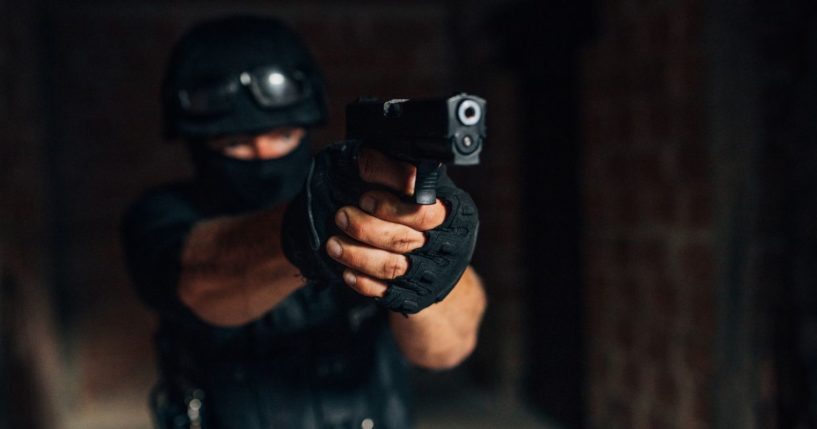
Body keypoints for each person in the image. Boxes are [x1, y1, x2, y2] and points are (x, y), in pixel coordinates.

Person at [121, 15, 486, 429]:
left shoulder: (353, 192)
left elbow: (447, 349)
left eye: (283, 136)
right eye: (235, 144)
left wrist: (431, 251)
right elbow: (202, 278)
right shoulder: (161, 215)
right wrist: (303, 227)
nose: (263, 155)